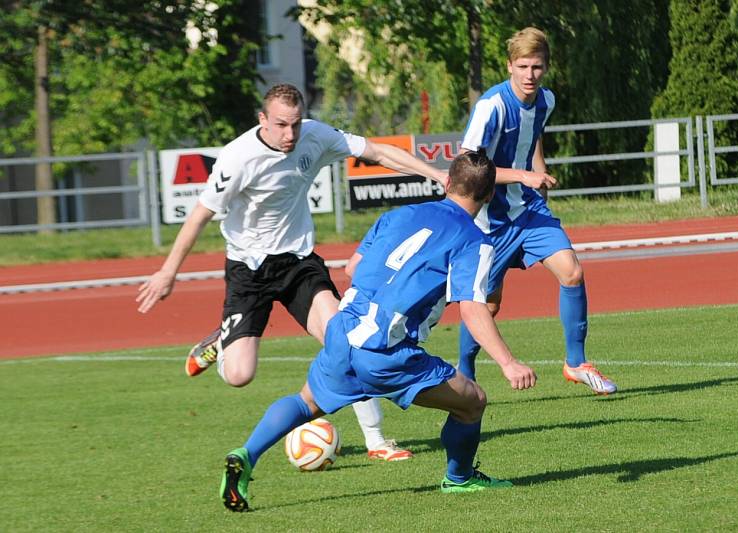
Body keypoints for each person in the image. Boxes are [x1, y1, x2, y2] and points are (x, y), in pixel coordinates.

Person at [136, 83, 448, 461]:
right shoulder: (238, 157)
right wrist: (168, 272)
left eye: (295, 124)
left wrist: (438, 175)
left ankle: (377, 440)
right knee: (239, 375)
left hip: (299, 264)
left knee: (346, 343)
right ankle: (222, 342)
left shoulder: (315, 135)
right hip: (248, 271)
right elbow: (200, 215)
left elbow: (378, 151)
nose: (290, 135)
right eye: (281, 125)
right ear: (262, 120)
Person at [219, 150, 536, 512]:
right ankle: (459, 479)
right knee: (472, 402)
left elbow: (354, 269)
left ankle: (246, 453)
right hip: (388, 353)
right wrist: (508, 363)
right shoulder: (475, 241)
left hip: (343, 331)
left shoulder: (397, 215)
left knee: (305, 403)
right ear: (490, 194)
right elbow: (472, 307)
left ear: (446, 182)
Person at [456, 27, 617, 394]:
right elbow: (466, 165)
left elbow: (534, 135)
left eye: (538, 67)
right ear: (510, 65)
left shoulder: (547, 101)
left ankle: (576, 363)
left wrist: (538, 173)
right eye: (524, 66)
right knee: (487, 305)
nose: (530, 75)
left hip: (528, 212)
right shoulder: (491, 106)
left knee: (572, 272)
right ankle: (464, 372)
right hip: (489, 222)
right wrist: (522, 175)